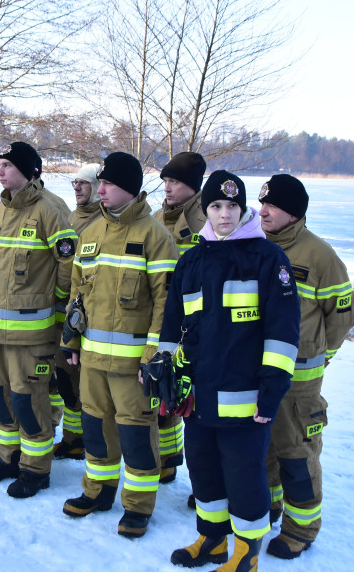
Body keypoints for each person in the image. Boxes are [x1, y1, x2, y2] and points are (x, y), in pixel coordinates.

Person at [162, 170, 300, 570]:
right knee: (203, 469)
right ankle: (212, 539)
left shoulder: (268, 259)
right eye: (217, 206)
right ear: (206, 211)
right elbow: (173, 326)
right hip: (198, 396)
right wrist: (165, 371)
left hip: (246, 399)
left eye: (233, 206)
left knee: (244, 475)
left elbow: (283, 334)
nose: (225, 215)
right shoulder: (190, 262)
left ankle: (247, 551)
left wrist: (271, 391)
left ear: (244, 210)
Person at [60, 153, 178, 538]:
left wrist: (156, 356)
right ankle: (97, 492)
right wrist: (71, 338)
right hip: (93, 359)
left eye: (108, 184)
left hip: (133, 366)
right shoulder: (91, 233)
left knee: (136, 435)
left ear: (129, 187)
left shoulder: (155, 237)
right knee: (95, 427)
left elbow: (167, 304)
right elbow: (78, 292)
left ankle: (138, 506)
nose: (101, 190)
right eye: (101, 184)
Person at [258, 174, 354, 560]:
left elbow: (343, 316)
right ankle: (268, 507)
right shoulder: (255, 245)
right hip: (260, 376)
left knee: (296, 454)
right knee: (262, 450)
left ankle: (300, 530)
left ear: (294, 213)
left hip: (299, 383)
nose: (263, 210)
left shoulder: (320, 256)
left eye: (273, 206)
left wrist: (320, 354)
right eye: (263, 203)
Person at [0, 141, 77, 498]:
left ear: (29, 171)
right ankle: (9, 457)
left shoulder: (50, 211)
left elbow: (68, 266)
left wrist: (59, 310)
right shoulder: (1, 211)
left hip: (33, 333)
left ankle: (35, 469)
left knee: (28, 402)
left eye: (7, 165)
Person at [152, 151, 207, 482]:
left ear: (192, 185)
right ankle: (169, 459)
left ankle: (207, 481)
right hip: (167, 321)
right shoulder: (158, 217)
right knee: (167, 393)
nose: (167, 188)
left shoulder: (208, 220)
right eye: (166, 182)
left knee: (198, 406)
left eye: (174, 182)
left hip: (199, 327)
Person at [53, 162, 103, 461]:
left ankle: (87, 441)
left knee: (86, 385)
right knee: (67, 381)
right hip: (64, 314)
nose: (77, 188)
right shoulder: (72, 217)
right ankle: (73, 438)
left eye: (83, 183)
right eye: (74, 183)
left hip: (89, 319)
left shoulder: (101, 221)